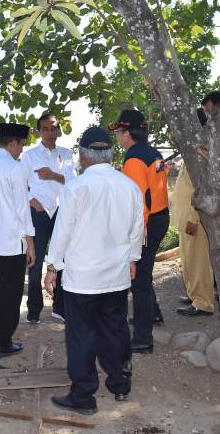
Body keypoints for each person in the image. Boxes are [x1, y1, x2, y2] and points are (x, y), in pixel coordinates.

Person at [44, 127, 143, 415]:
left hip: (82, 278)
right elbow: (137, 229)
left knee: (81, 335)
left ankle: (84, 396)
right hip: (116, 275)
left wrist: (53, 267)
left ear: (84, 156)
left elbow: (62, 232)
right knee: (116, 329)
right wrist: (133, 259)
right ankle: (120, 385)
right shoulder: (129, 186)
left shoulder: (76, 187)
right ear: (111, 154)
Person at [109, 109, 168, 354]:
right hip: (161, 217)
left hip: (145, 222)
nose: (118, 139)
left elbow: (137, 203)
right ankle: (152, 314)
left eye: (120, 133)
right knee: (144, 270)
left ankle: (143, 338)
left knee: (139, 280)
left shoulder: (133, 160)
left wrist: (133, 235)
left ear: (128, 133)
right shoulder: (152, 152)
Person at [0, 123, 36, 357]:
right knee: (11, 291)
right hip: (12, 239)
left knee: (3, 284)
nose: (22, 150)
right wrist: (30, 241)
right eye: (21, 145)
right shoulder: (14, 168)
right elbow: (22, 209)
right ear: (13, 143)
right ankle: (3, 341)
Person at [21, 114, 76, 323]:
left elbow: (73, 181)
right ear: (38, 132)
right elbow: (20, 185)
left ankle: (60, 307)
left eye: (54, 128)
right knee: (34, 263)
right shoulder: (29, 156)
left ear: (59, 129)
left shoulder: (67, 154)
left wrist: (53, 175)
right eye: (45, 129)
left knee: (62, 259)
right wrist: (30, 200)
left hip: (62, 212)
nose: (50, 133)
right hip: (39, 212)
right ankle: (34, 310)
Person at [173, 104, 216, 316]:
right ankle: (194, 294)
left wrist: (192, 217)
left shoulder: (200, 151)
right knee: (189, 259)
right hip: (185, 217)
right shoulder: (192, 148)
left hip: (193, 218)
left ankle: (203, 302)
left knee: (198, 261)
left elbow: (200, 188)